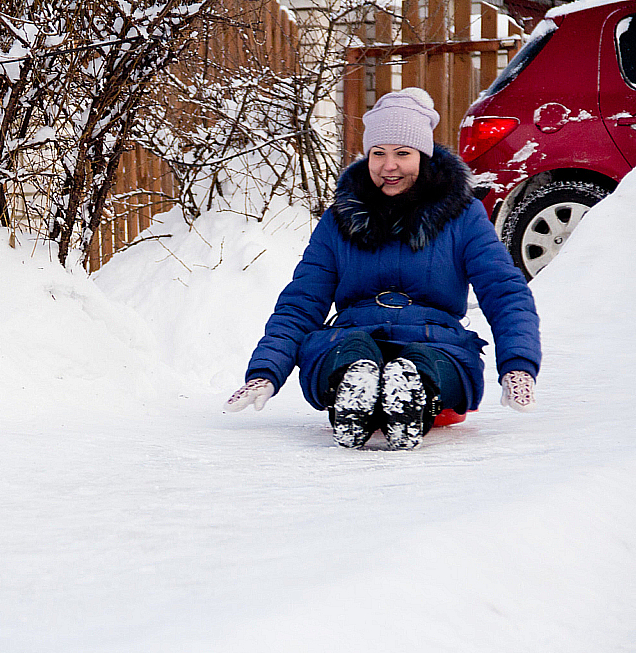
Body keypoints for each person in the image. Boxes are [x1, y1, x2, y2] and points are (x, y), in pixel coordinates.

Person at [224, 88, 540, 449]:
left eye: (402, 153)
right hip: (350, 337)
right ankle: (354, 391)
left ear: (423, 155)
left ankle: (411, 392)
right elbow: (302, 300)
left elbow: (504, 290)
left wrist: (518, 364)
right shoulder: (340, 219)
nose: (389, 166)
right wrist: (266, 371)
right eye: (379, 154)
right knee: (350, 350)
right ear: (367, 156)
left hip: (434, 341)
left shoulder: (462, 217)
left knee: (428, 359)